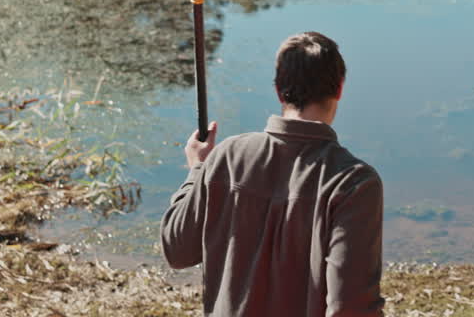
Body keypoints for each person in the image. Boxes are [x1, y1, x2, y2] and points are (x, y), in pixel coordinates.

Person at [160, 31, 385, 317]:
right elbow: (351, 308)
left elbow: (177, 251)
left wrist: (198, 169)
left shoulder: (228, 156)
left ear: (279, 90)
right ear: (339, 88)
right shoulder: (354, 182)